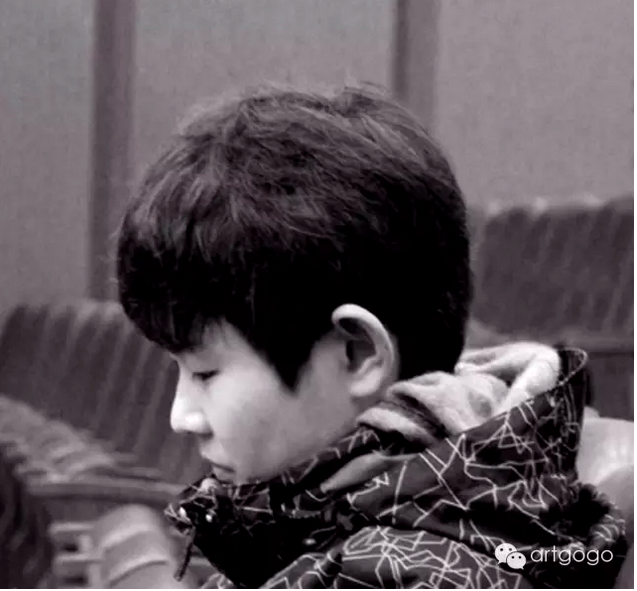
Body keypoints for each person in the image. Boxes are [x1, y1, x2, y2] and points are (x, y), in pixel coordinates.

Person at [116, 83, 626, 588]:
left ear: (357, 353)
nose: (181, 417)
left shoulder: (406, 576)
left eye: (205, 373)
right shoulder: (329, 523)